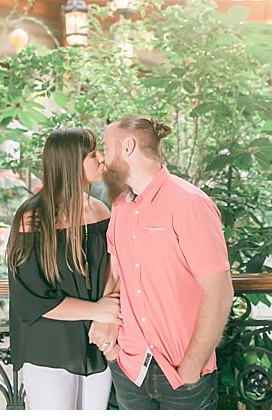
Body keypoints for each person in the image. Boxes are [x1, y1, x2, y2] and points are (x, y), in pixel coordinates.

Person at [94, 115, 234, 410]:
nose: (102, 159)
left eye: (106, 148)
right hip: (130, 368)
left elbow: (219, 292)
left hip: (184, 375)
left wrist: (191, 368)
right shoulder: (119, 207)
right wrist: (108, 332)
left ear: (128, 146)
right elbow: (117, 276)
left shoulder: (190, 204)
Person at [7, 128, 122, 409]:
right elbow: (30, 298)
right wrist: (98, 311)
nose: (101, 160)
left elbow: (115, 268)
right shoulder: (33, 218)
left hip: (95, 340)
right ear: (72, 161)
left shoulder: (101, 210)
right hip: (49, 346)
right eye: (93, 154)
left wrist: (106, 316)